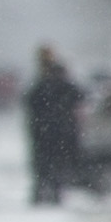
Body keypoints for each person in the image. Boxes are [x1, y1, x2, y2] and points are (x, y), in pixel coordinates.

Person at [25, 45, 89, 207]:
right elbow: (80, 96)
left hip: (44, 133)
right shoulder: (66, 87)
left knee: (43, 166)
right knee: (57, 165)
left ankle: (40, 193)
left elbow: (30, 103)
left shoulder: (42, 87)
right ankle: (54, 193)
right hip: (61, 133)